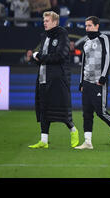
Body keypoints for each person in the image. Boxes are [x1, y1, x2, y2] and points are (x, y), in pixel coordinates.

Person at [28, 11, 79, 149]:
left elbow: (60, 56)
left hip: (58, 78)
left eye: (47, 21)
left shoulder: (63, 35)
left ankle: (73, 131)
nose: (44, 23)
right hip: (43, 77)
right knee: (43, 109)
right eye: (44, 20)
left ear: (55, 22)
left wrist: (40, 57)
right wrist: (34, 58)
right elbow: (44, 57)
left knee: (61, 109)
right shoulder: (44, 37)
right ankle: (43, 141)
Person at [74, 16, 110, 150]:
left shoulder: (104, 39)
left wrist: (103, 77)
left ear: (97, 26)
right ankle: (88, 142)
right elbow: (83, 63)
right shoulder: (85, 42)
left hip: (98, 82)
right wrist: (81, 82)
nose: (87, 28)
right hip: (87, 81)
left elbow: (108, 57)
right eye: (86, 26)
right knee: (87, 112)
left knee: (101, 112)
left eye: (89, 25)